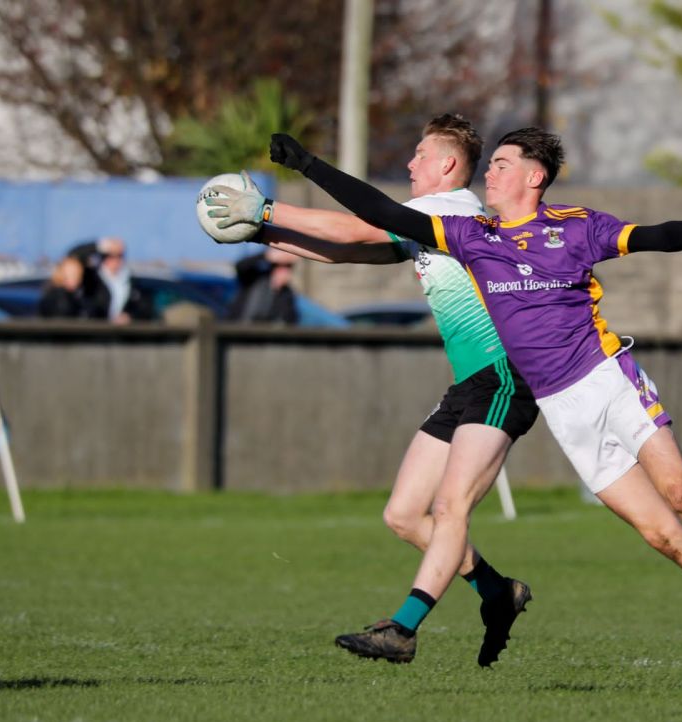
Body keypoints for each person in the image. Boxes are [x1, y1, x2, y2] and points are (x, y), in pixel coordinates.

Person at [263, 128, 682, 691]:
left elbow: (653, 236)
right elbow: (378, 213)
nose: (490, 175)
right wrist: (308, 165)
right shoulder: (470, 236)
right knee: (660, 536)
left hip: (607, 378)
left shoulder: (575, 225)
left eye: (501, 165)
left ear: (534, 176)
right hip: (562, 408)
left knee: (680, 493)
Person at [207, 115, 541, 666]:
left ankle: (403, 630)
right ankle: (496, 594)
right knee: (405, 516)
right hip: (470, 384)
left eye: (419, 155)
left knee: (449, 508)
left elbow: (352, 228)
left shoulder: (447, 210)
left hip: (505, 374)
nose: (409, 165)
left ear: (448, 166)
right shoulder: (428, 223)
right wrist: (262, 233)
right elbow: (345, 251)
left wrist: (264, 210)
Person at [66, 237, 153, 324]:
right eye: (110, 255)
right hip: (94, 332)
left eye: (119, 256)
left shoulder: (132, 282)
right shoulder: (91, 278)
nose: (115, 260)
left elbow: (146, 309)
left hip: (121, 334)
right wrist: (101, 245)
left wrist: (130, 316)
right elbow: (73, 255)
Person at [226, 247, 300, 325]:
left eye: (287, 267)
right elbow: (240, 266)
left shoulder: (286, 293)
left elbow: (290, 320)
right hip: (239, 329)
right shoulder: (254, 279)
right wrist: (266, 255)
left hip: (263, 334)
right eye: (280, 267)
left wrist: (278, 289)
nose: (284, 271)